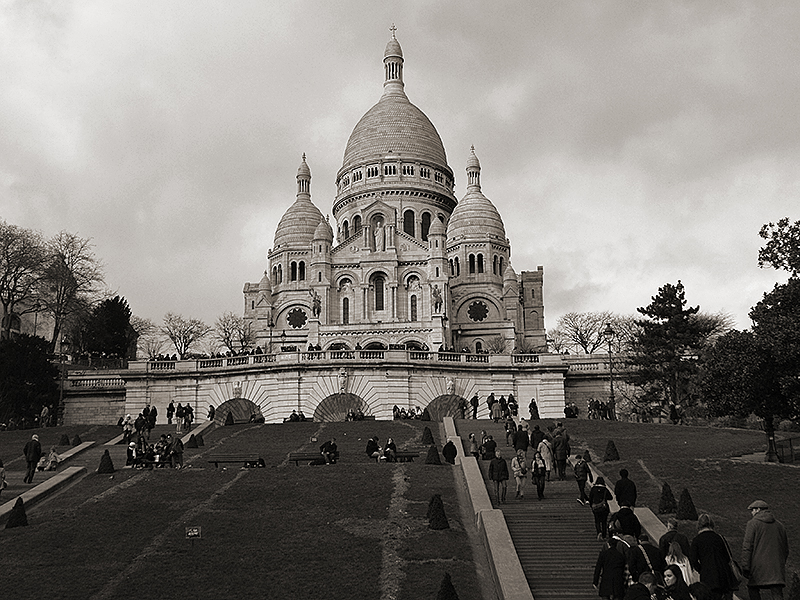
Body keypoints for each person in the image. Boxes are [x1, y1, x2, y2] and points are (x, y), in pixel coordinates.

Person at [741, 500, 789, 600]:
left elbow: (747, 547)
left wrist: (745, 566)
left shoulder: (752, 524)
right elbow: (785, 549)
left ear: (758, 510)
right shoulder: (780, 526)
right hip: (776, 568)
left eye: (753, 510)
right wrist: (780, 563)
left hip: (758, 568)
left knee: (753, 589)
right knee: (777, 593)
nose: (752, 513)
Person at [689, 513, 737, 600]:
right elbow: (728, 556)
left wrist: (701, 569)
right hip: (723, 575)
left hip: (707, 575)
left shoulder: (697, 540)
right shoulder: (719, 537)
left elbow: (693, 560)